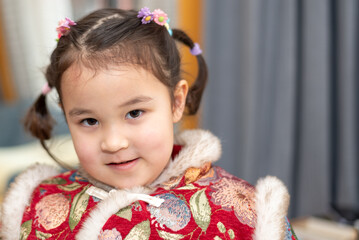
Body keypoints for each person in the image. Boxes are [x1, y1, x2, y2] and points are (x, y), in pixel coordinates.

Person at [1, 7, 297, 240]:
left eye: (134, 113)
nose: (114, 142)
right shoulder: (33, 206)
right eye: (89, 120)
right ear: (66, 115)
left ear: (176, 102)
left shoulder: (243, 212)